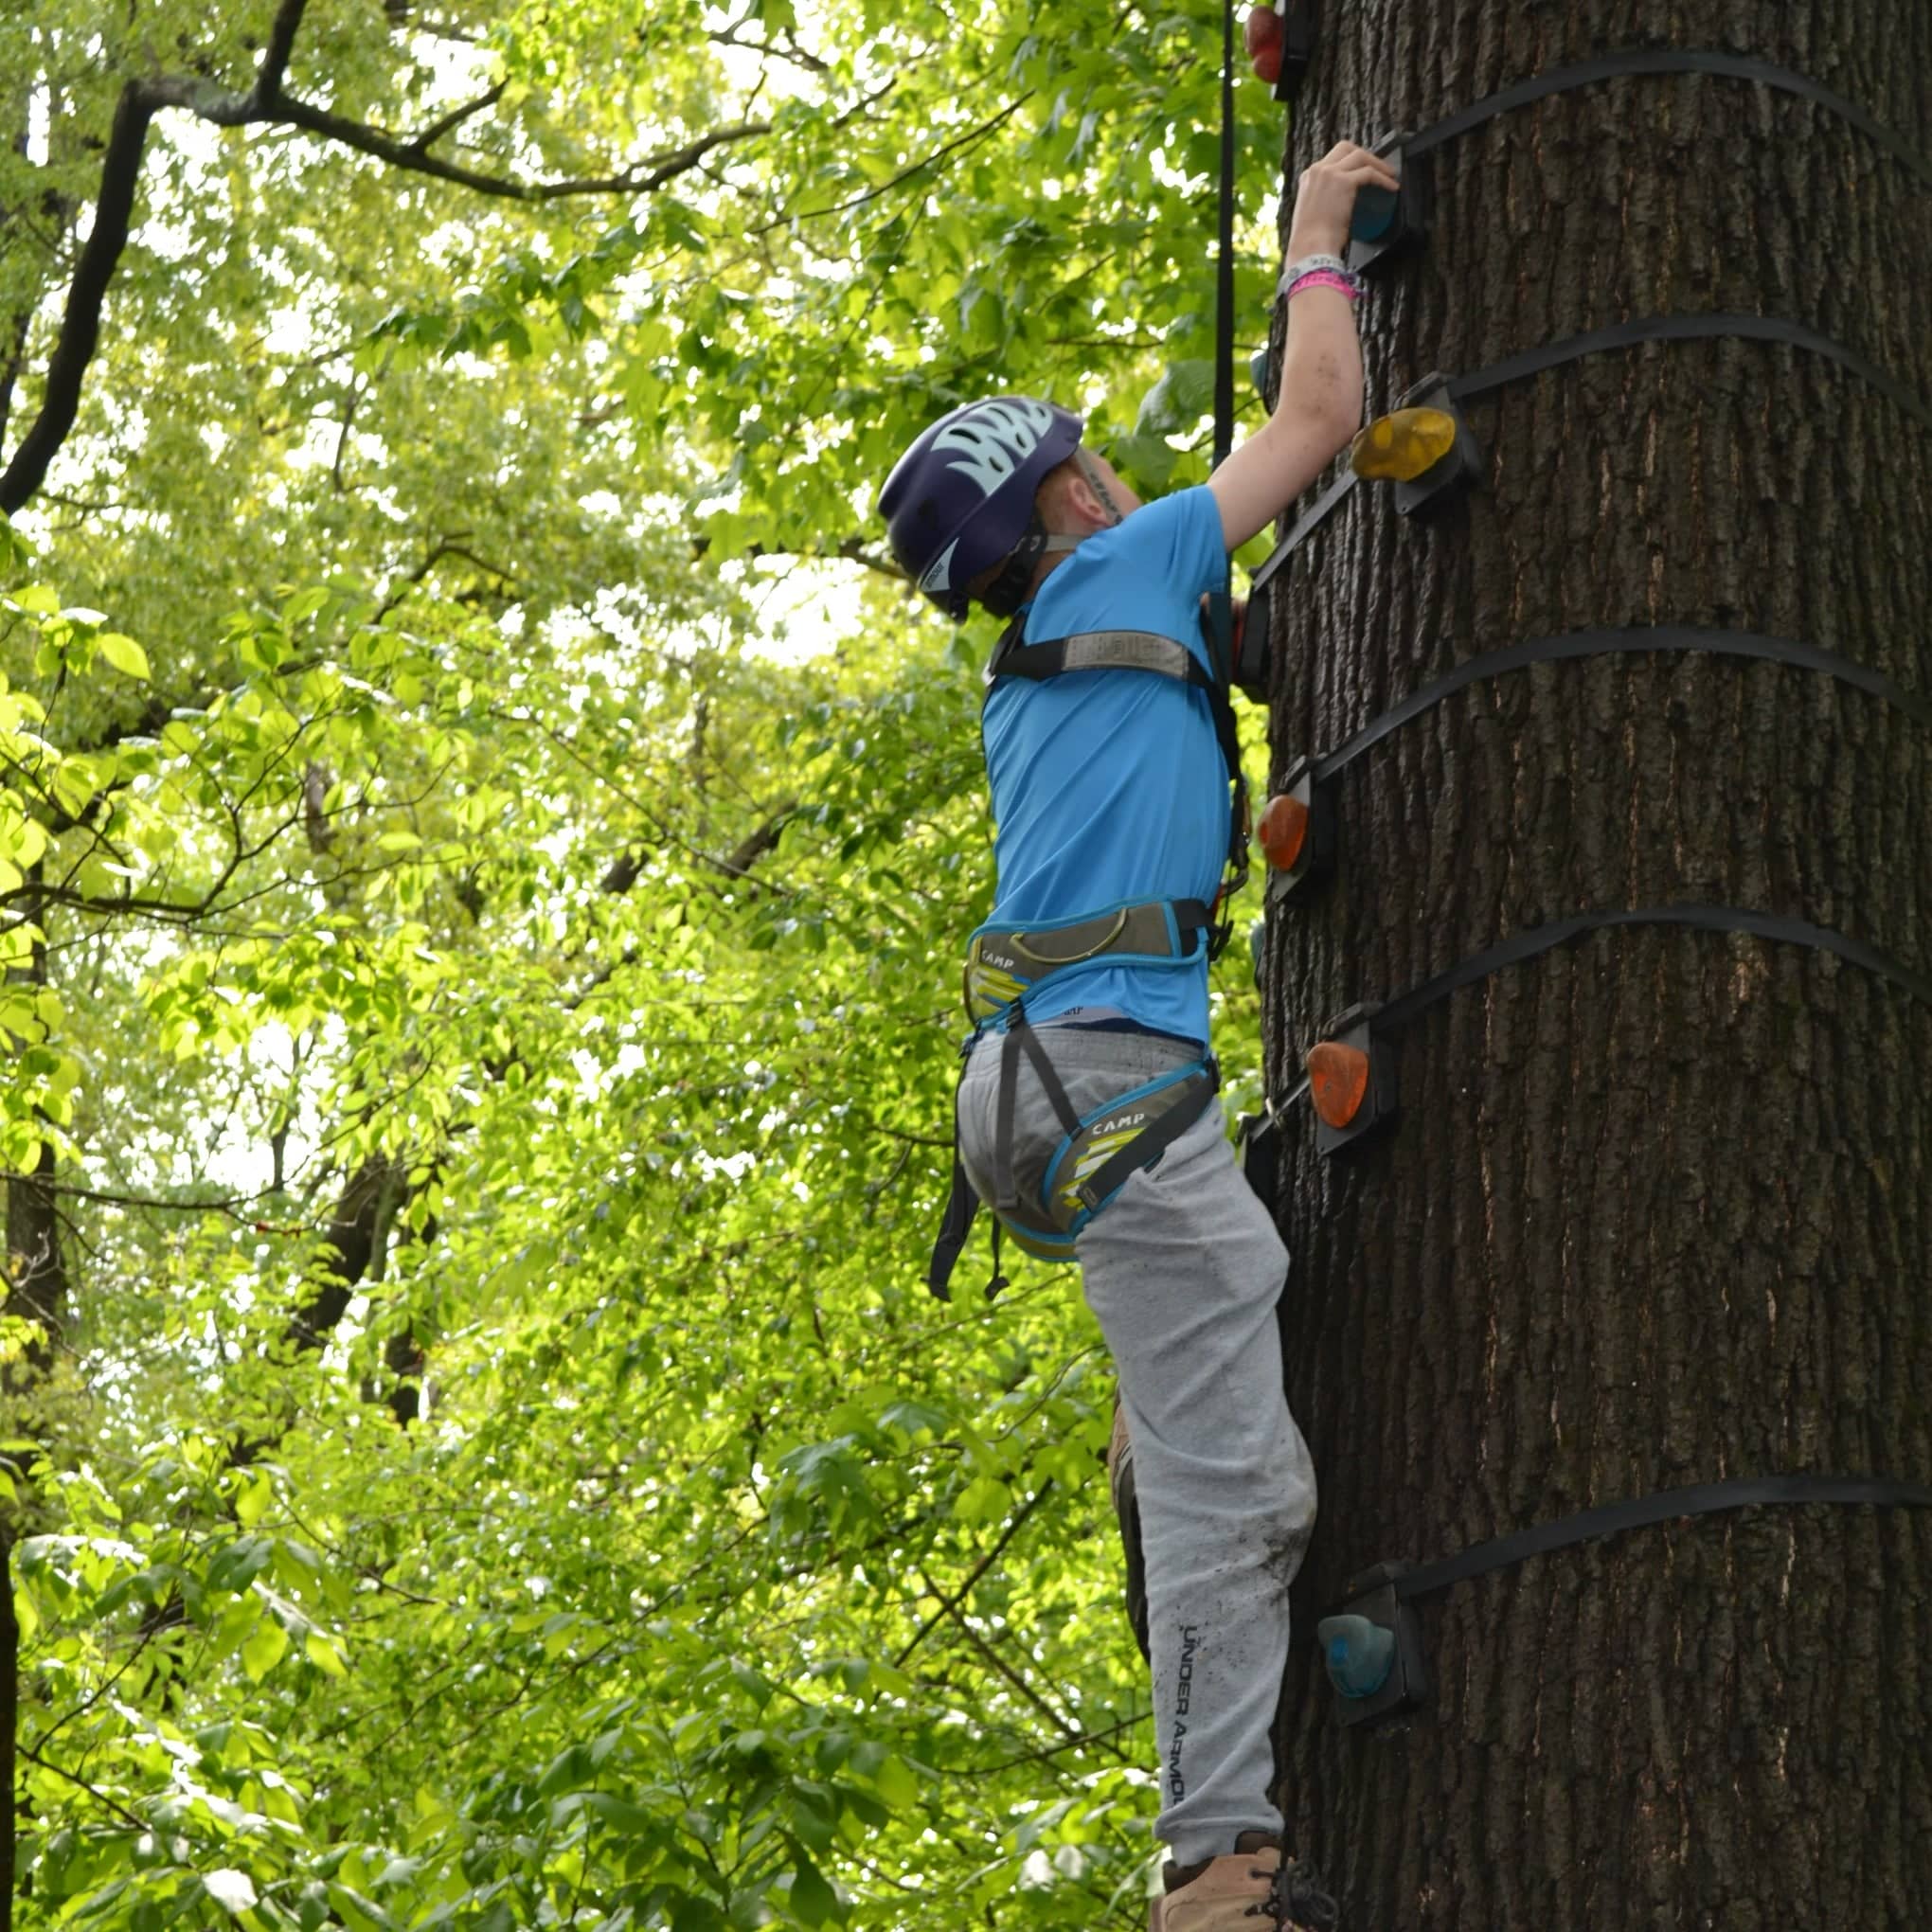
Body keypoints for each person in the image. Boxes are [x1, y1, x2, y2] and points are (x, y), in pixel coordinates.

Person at [879, 141, 1398, 1932]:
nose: (1122, 473)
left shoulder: (1050, 664)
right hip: (1107, 1082)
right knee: (1240, 1490)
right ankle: (1211, 1868)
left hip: (1051, 1091)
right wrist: (1317, 238)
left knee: (1206, 1423)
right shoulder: (1142, 557)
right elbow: (1321, 415)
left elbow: (1190, 700)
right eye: (1093, 462)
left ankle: (1152, 1448)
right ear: (1076, 504)